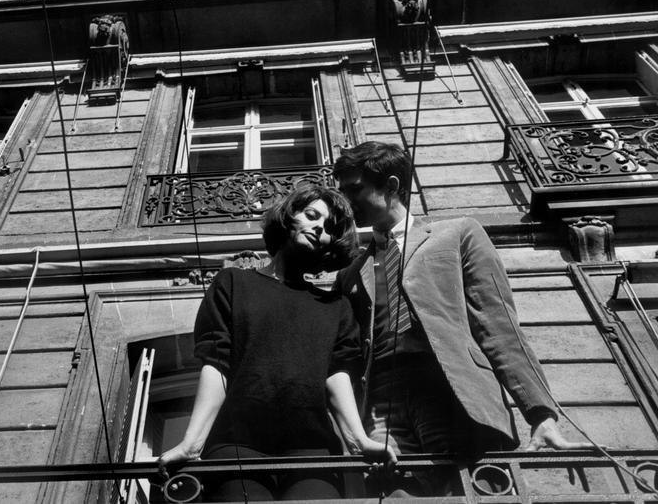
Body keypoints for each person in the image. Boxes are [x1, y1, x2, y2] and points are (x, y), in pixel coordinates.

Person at [333, 141, 589, 496]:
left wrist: (540, 413)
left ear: (391, 185)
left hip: (445, 387)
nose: (346, 200)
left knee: (463, 490)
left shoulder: (456, 234)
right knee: (392, 492)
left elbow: (498, 325)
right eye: (342, 191)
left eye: (354, 189)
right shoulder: (352, 272)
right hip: (381, 399)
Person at [158, 185, 395, 501]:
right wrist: (192, 442)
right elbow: (217, 364)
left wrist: (358, 441)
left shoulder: (335, 306)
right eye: (311, 216)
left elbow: (337, 375)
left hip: (313, 451)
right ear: (288, 216)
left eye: (328, 229)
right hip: (237, 444)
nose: (318, 229)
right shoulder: (233, 284)